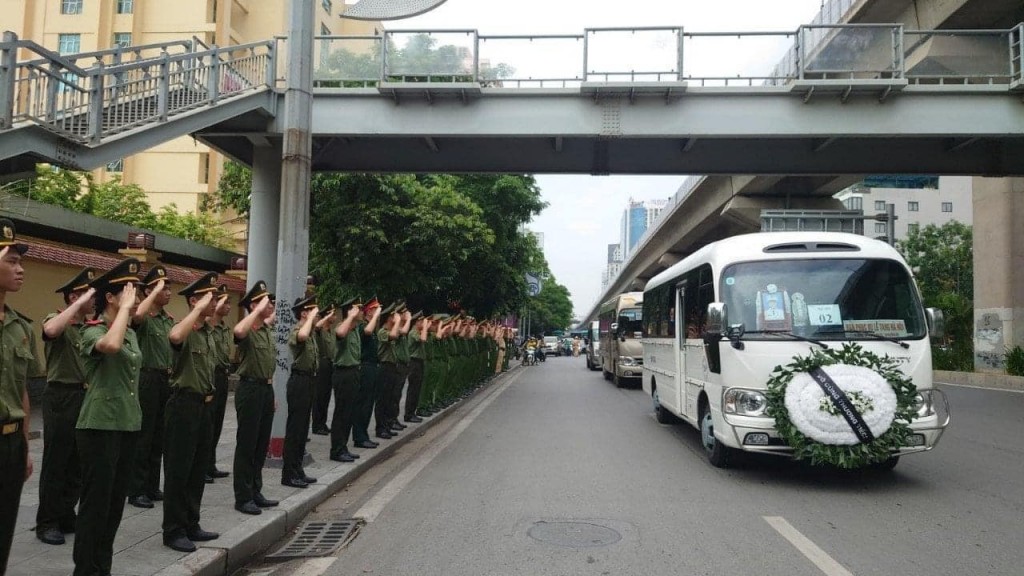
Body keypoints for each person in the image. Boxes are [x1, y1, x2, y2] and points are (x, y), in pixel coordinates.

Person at [73, 258, 144, 576]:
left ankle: (102, 568)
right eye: (129, 291)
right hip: (99, 426)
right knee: (95, 506)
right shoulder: (93, 331)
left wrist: (127, 314)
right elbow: (110, 346)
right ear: (111, 297)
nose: (136, 297)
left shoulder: (130, 334)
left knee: (114, 507)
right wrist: (126, 311)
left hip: (127, 424)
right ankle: (85, 570)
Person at [36, 267, 95, 546]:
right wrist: (74, 308)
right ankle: (46, 521)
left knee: (78, 461)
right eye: (87, 294)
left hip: (85, 396)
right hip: (61, 396)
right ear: (74, 296)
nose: (94, 299)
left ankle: (65, 512)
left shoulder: (89, 327)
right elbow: (49, 330)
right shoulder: (56, 318)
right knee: (56, 461)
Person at [161, 272, 220, 552]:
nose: (216, 301)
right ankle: (173, 530)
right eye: (210, 296)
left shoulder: (208, 332)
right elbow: (174, 337)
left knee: (197, 469)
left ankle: (190, 523)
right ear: (195, 300)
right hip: (183, 405)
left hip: (204, 406)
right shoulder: (182, 328)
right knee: (178, 470)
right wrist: (196, 309)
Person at [0, 220, 42, 574]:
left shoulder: (20, 326)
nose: (20, 269)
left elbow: (22, 390)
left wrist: (26, 446)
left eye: (20, 261)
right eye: (11, 260)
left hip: (11, 443)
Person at [128, 265, 174, 509]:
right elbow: (135, 318)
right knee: (144, 436)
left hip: (165, 380)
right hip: (146, 379)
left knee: (159, 434)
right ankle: (136, 489)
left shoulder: (168, 320)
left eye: (168, 288)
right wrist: (149, 294)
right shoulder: (144, 317)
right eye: (162, 288)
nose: (167, 292)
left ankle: (152, 485)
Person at [231, 281, 279, 515]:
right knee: (247, 445)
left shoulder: (267, 331)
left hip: (265, 390)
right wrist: (256, 311)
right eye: (265, 301)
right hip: (249, 390)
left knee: (261, 445)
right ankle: (243, 496)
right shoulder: (248, 331)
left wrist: (272, 393)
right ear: (253, 305)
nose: (270, 305)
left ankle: (255, 490)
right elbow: (238, 332)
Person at [283, 295, 320, 488]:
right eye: (313, 310)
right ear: (304, 312)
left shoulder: (311, 332)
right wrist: (309, 317)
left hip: (309, 381)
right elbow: (302, 337)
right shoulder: (298, 330)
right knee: (295, 430)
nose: (317, 314)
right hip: (299, 382)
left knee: (303, 429)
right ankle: (289, 474)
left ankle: (298, 469)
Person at [329, 296, 365, 462]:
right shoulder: (342, 327)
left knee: (349, 413)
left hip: (354, 373)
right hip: (343, 374)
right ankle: (336, 449)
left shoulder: (355, 329)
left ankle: (343, 446)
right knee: (341, 413)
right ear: (350, 311)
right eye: (358, 309)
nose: (361, 312)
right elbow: (340, 333)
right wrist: (350, 316)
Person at [206, 285, 232, 482]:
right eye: (225, 301)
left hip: (223, 376)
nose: (228, 306)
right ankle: (204, 465)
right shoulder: (208, 326)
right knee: (208, 422)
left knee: (218, 422)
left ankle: (211, 462)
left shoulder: (224, 328)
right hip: (210, 375)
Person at [352, 298, 383, 444]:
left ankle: (363, 435)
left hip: (372, 367)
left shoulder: (371, 327)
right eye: (375, 309)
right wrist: (375, 317)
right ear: (369, 311)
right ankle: (359, 437)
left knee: (369, 403)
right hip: (364, 367)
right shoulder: (362, 326)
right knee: (363, 404)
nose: (378, 312)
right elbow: (367, 332)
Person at [310, 304, 337, 436]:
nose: (335, 317)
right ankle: (317, 424)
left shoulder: (331, 331)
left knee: (326, 395)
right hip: (322, 364)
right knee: (319, 395)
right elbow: (317, 327)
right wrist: (325, 316)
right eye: (333, 314)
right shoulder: (320, 330)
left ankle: (323, 422)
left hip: (330, 364)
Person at [404, 311, 427, 423]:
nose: (424, 323)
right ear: (417, 322)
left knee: (417, 388)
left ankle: (412, 412)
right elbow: (423, 339)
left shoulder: (418, 331)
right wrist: (426, 327)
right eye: (422, 321)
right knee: (413, 389)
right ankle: (408, 414)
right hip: (414, 363)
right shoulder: (413, 332)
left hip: (419, 362)